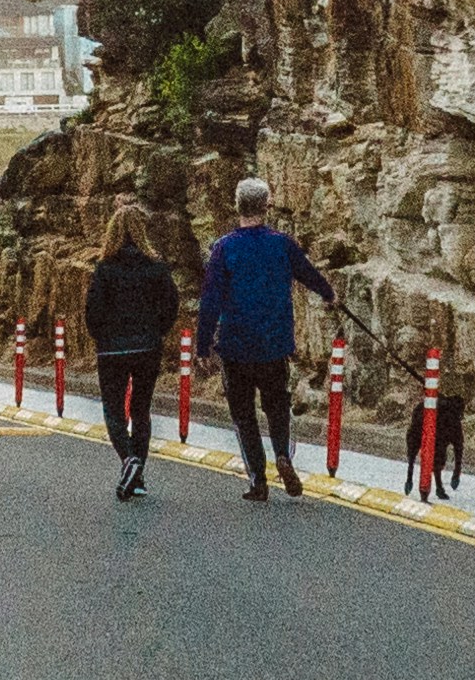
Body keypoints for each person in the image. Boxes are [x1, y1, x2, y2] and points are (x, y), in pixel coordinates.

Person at [195, 177, 341, 502]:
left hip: (235, 346)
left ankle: (258, 481)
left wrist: (203, 343)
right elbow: (307, 272)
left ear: (238, 206)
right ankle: (283, 456)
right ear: (267, 206)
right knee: (277, 408)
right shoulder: (282, 243)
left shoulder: (224, 248)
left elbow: (211, 300)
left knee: (243, 415)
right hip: (274, 344)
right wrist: (328, 293)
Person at [81, 204, 181, 502]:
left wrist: (101, 336)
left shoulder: (105, 269)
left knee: (113, 410)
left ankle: (128, 460)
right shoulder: (156, 268)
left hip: (112, 348)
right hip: (147, 347)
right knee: (141, 410)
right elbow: (171, 304)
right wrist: (157, 332)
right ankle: (138, 475)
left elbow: (92, 311)